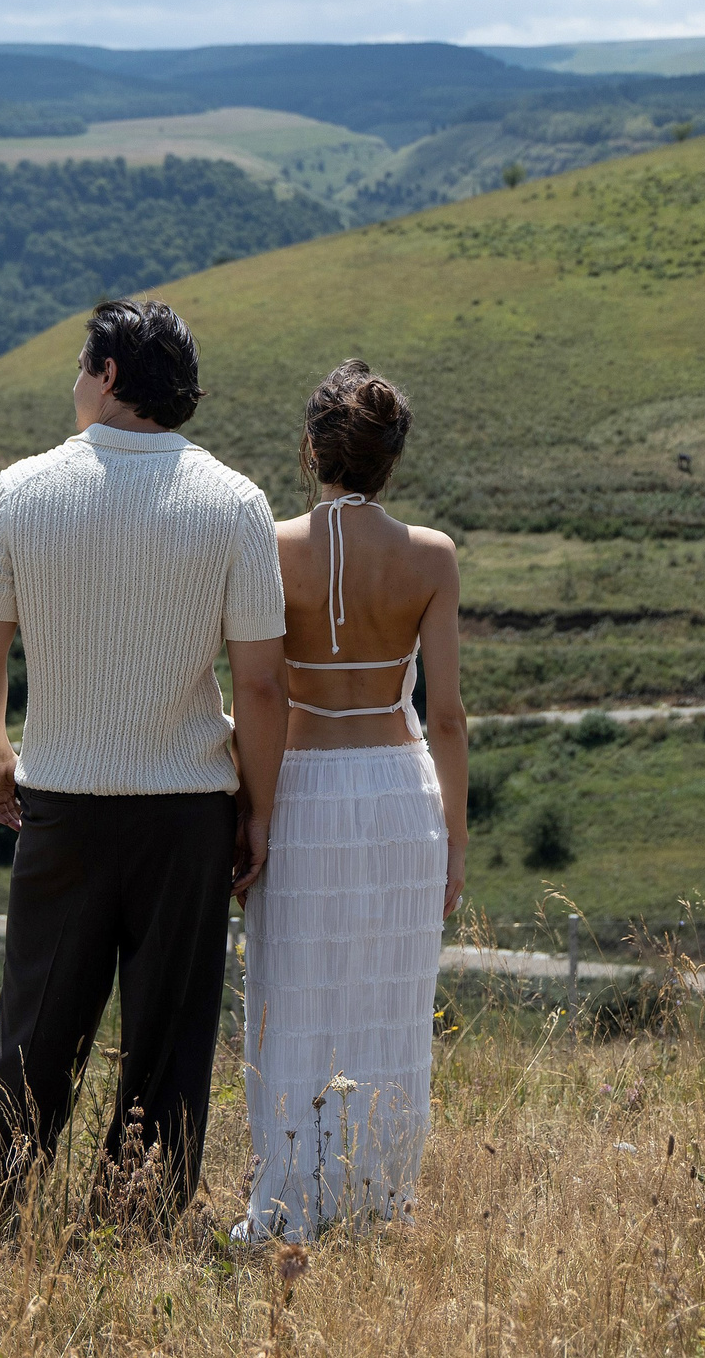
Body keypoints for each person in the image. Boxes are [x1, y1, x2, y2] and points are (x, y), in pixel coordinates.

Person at [0, 298, 289, 1223]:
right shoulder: (236, 503)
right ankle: (138, 1212)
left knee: (38, 1019)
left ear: (106, 376)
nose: (74, 383)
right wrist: (256, 809)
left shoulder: (21, 491)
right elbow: (261, 685)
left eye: (78, 367)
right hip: (188, 810)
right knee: (169, 1028)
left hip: (59, 796)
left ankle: (1, 1200)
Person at [238, 359, 465, 1241]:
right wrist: (456, 831)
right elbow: (443, 712)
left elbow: (256, 689)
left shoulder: (266, 543)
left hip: (298, 790)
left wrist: (251, 808)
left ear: (311, 448)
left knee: (291, 996)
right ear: (392, 458)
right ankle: (376, 1199)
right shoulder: (432, 556)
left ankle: (290, 1200)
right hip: (398, 791)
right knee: (389, 1000)